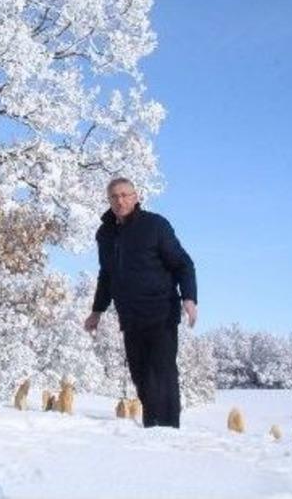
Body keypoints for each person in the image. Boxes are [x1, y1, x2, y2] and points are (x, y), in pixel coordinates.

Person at [83, 177, 197, 428]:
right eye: (114, 196)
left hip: (161, 311)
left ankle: (167, 432)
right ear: (108, 200)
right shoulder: (105, 234)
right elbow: (107, 274)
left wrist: (189, 298)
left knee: (162, 373)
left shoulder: (155, 225)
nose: (120, 200)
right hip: (130, 316)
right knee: (141, 375)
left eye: (125, 195)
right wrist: (97, 311)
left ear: (136, 197)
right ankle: (152, 428)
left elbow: (183, 263)